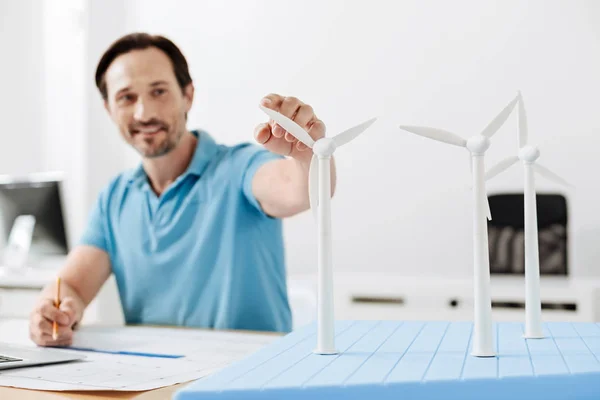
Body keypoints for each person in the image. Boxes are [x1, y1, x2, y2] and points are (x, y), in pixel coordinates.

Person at [29, 33, 336, 346]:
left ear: (187, 95)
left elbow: (300, 188)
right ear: (109, 108)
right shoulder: (115, 198)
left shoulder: (239, 168)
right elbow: (73, 287)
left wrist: (306, 152)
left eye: (159, 91)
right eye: (126, 97)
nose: (144, 113)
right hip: (156, 383)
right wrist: (52, 313)